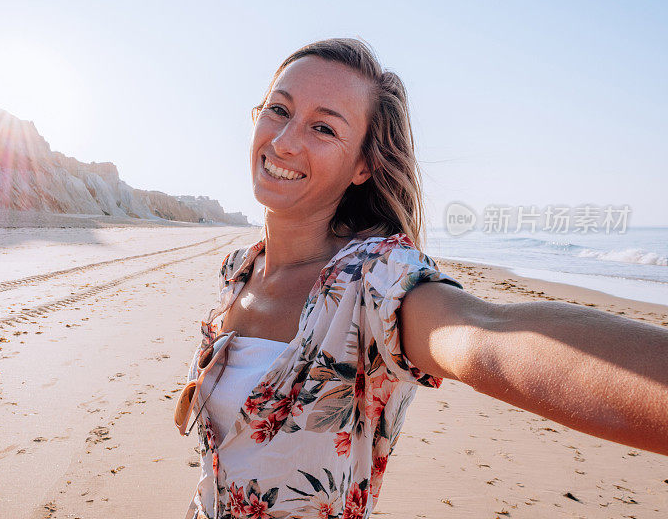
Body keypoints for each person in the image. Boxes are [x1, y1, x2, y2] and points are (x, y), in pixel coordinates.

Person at [176, 38, 668, 519]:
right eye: (278, 110)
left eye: (323, 129)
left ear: (364, 165)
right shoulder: (238, 270)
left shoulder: (372, 278)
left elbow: (485, 336)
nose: (283, 142)